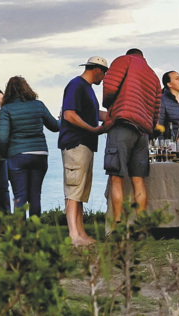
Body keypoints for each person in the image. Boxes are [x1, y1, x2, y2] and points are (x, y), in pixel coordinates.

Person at [100, 48, 161, 229]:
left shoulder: (124, 60)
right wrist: (150, 126)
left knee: (116, 176)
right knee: (138, 179)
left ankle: (117, 225)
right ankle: (141, 227)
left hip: (123, 123)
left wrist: (108, 105)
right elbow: (156, 109)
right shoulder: (153, 75)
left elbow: (110, 86)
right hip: (143, 131)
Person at [59, 57, 109, 247]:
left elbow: (95, 114)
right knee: (73, 190)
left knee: (80, 190)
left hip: (85, 144)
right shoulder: (76, 85)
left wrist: (116, 116)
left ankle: (80, 232)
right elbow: (69, 114)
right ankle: (74, 235)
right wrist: (93, 129)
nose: (104, 78)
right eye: (104, 73)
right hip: (76, 143)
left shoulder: (86, 88)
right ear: (97, 70)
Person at [0, 76, 59, 214]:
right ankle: (35, 227)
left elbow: (1, 137)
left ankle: (21, 228)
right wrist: (63, 119)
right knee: (35, 196)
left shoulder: (7, 109)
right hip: (40, 155)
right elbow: (55, 126)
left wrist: (5, 154)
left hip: (18, 155)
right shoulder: (38, 105)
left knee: (20, 196)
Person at [157, 70, 179, 146]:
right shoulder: (162, 100)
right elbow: (159, 127)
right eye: (177, 79)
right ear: (169, 84)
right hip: (172, 147)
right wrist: (163, 147)